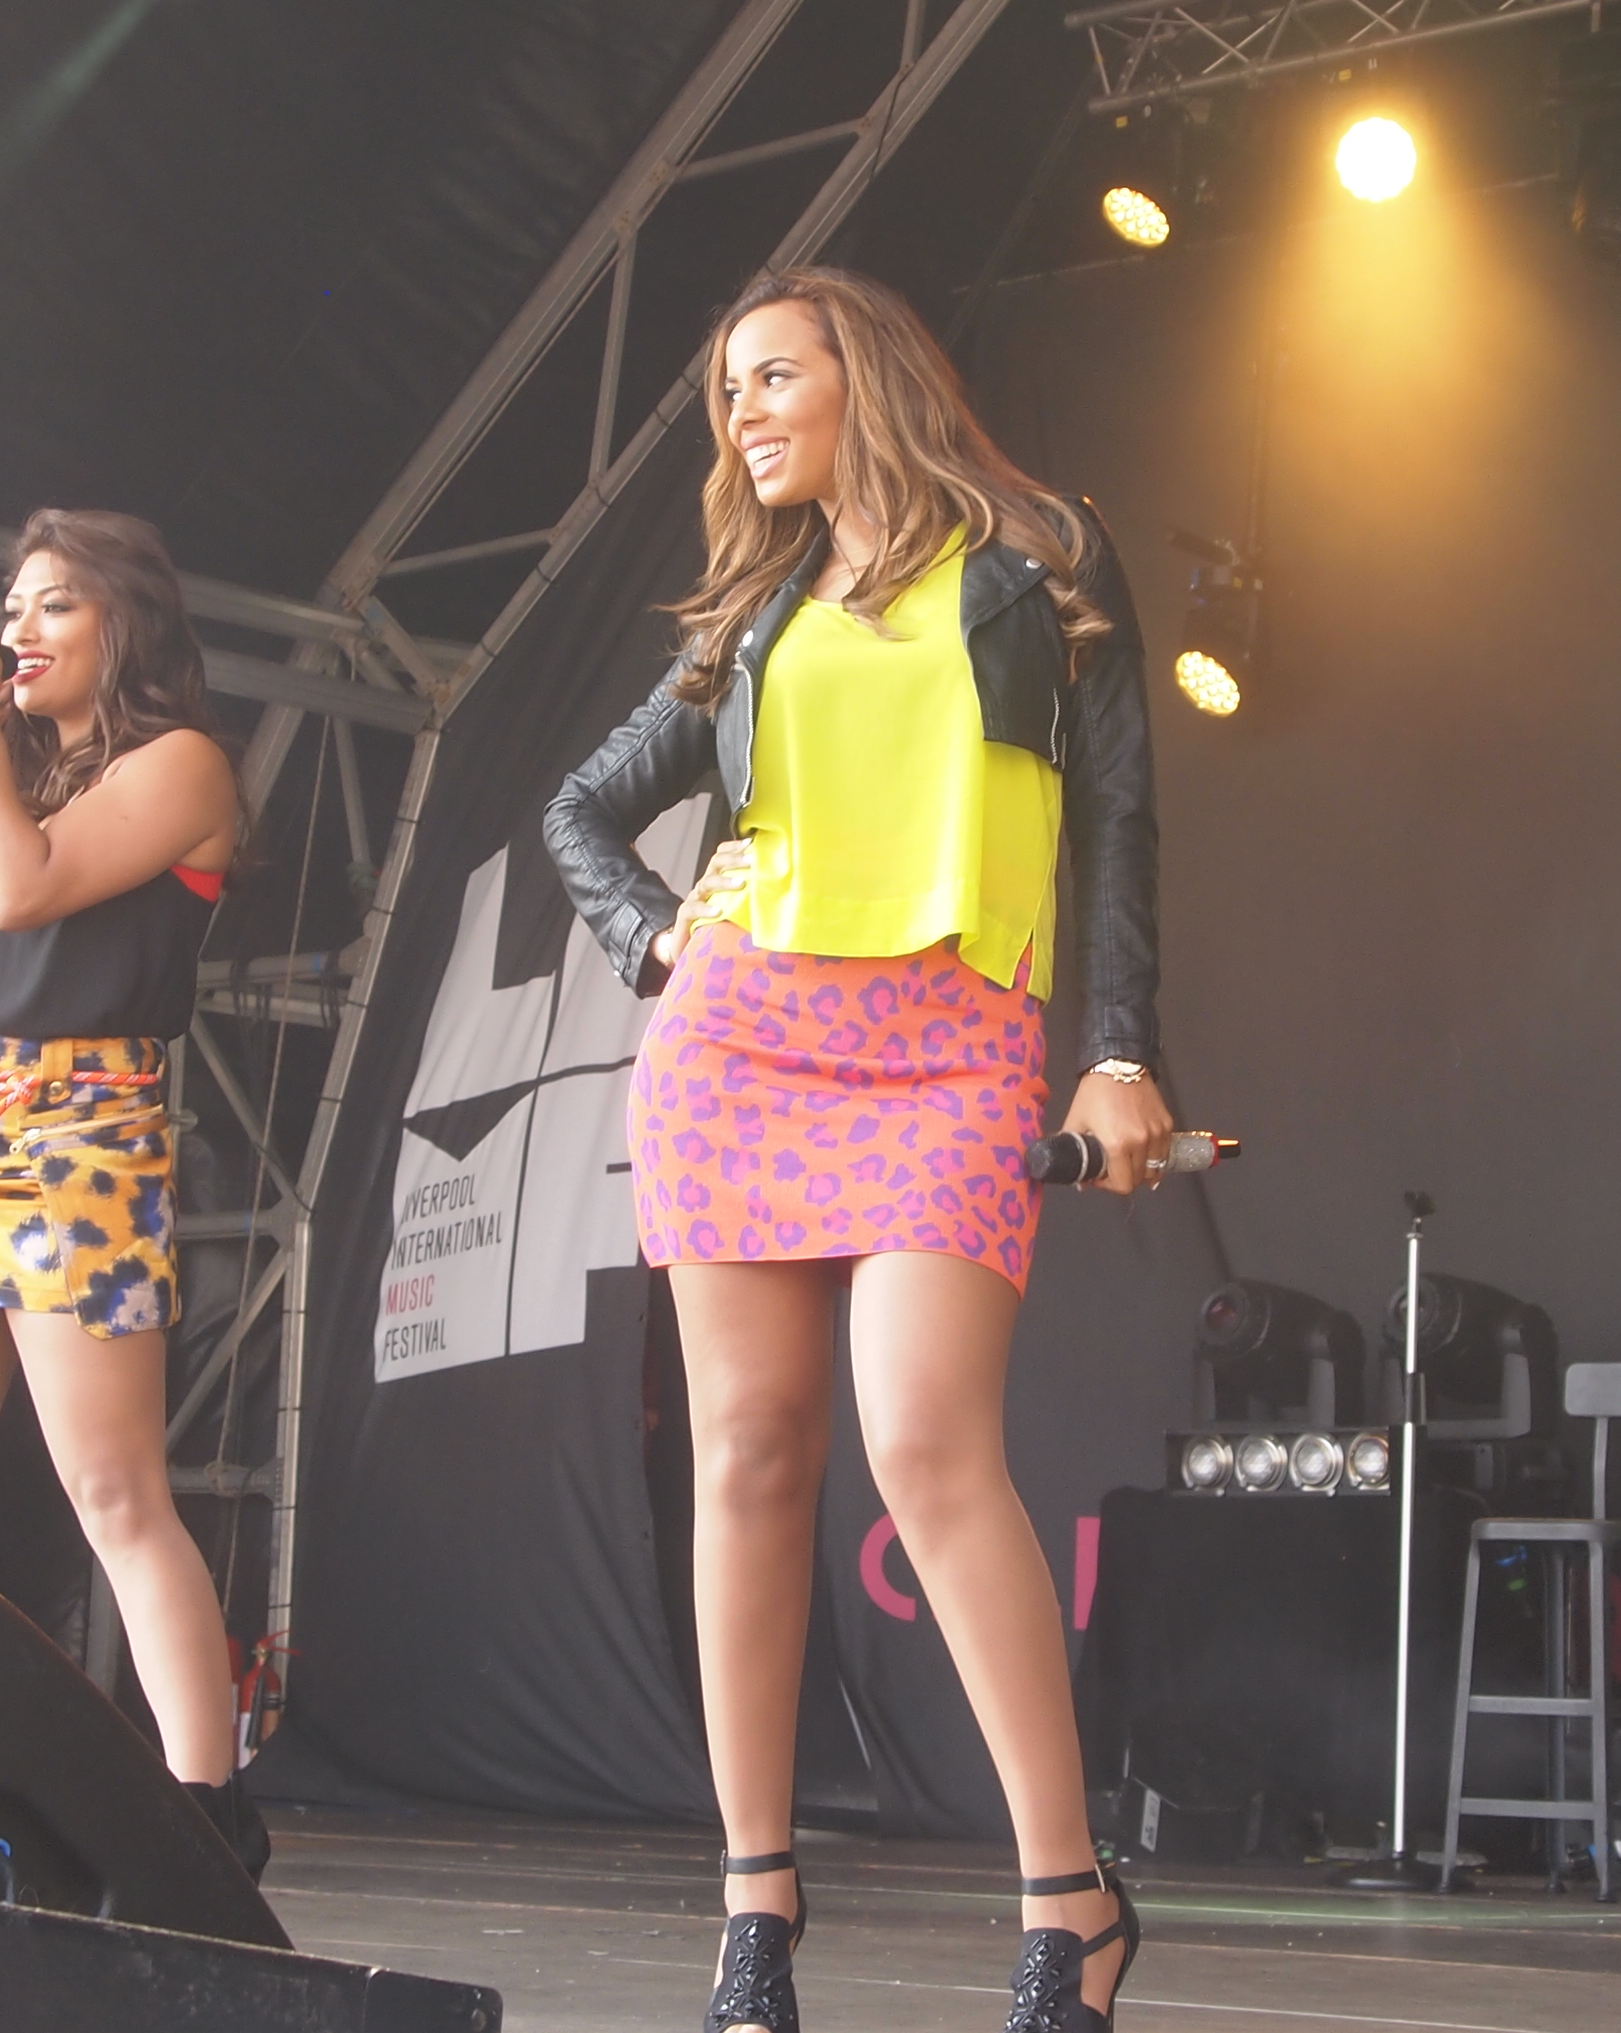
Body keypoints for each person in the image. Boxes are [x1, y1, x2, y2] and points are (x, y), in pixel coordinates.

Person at [546, 266, 1172, 2033]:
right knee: (747, 1453)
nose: (741, 413)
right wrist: (657, 941)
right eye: (725, 394)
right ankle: (753, 1908)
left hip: (952, 1037)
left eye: (770, 375)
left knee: (922, 1441)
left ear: (865, 371)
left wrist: (1118, 1049)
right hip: (736, 1043)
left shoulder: (1042, 558)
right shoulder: (756, 615)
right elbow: (580, 808)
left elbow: (1121, 816)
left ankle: (1069, 1900)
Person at [0, 506, 261, 1868]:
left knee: (112, 1486)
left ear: (122, 622)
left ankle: (207, 1806)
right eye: (10, 605)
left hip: (77, 1128)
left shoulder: (180, 764)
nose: (17, 628)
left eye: (52, 604)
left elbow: (25, 897)